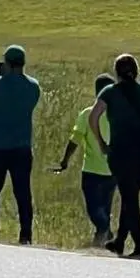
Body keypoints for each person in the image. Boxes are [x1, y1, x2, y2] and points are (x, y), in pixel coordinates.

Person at [89, 54, 140, 260]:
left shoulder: (109, 92)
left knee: (130, 196)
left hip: (121, 153)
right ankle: (119, 241)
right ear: (136, 71)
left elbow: (93, 117)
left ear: (117, 73)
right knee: (130, 195)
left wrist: (101, 142)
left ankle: (139, 245)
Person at [0, 45, 40, 245]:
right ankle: (26, 234)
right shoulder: (33, 86)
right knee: (23, 191)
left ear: (7, 63)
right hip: (22, 145)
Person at [54, 73, 115, 246]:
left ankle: (105, 231)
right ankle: (102, 236)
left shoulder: (88, 114)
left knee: (94, 208)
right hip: (113, 171)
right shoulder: (118, 115)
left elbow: (75, 140)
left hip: (92, 170)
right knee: (105, 206)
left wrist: (65, 160)